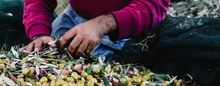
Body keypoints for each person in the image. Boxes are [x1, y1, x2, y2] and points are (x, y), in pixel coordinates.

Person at [22, 0, 170, 60]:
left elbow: (152, 6)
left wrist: (102, 25)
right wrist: (39, 33)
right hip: (75, 15)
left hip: (123, 24)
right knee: (48, 58)